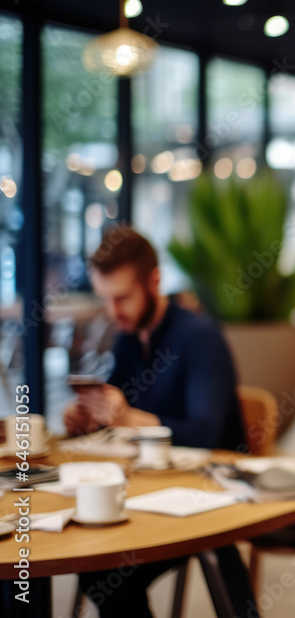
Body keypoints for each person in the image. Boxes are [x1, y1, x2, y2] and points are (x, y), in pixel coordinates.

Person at [65, 226, 255, 618]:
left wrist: (128, 417)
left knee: (105, 572)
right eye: (106, 300)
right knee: (94, 562)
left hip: (210, 493)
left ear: (154, 280)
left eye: (122, 298)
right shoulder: (128, 338)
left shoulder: (200, 337)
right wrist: (91, 418)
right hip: (148, 491)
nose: (114, 312)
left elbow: (206, 434)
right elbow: (115, 421)